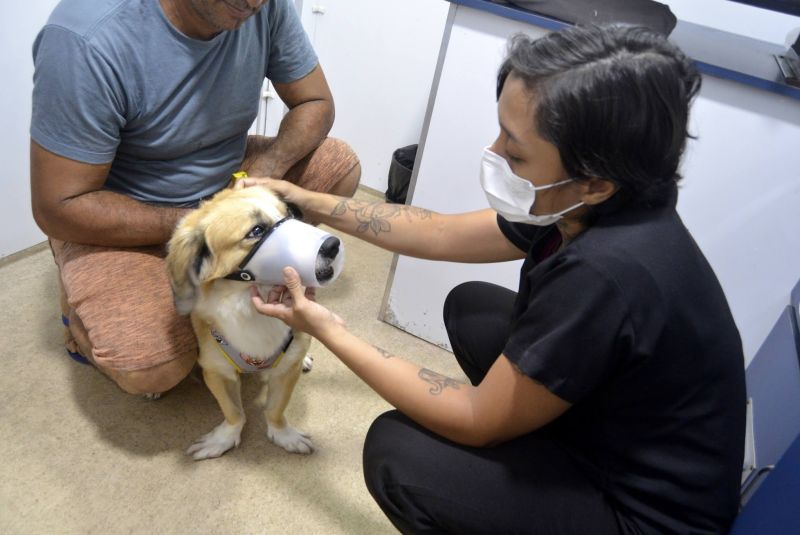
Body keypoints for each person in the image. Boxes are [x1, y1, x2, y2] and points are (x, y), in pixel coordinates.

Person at [238, 25, 747, 534]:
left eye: (516, 152)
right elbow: (439, 233)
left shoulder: (604, 274)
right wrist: (305, 198)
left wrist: (326, 328)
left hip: (641, 516)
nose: (494, 151)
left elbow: (476, 419)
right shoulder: (592, 204)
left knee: (399, 453)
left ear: (594, 182)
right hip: (608, 423)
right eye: (501, 131)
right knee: (474, 309)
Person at [29, 0, 361, 395]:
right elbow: (58, 207)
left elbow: (315, 102)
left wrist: (267, 168)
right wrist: (205, 223)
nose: (255, 3)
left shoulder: (265, 5)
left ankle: (230, 266)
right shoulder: (86, 40)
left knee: (339, 167)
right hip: (122, 212)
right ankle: (79, 308)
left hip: (226, 177)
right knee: (152, 368)